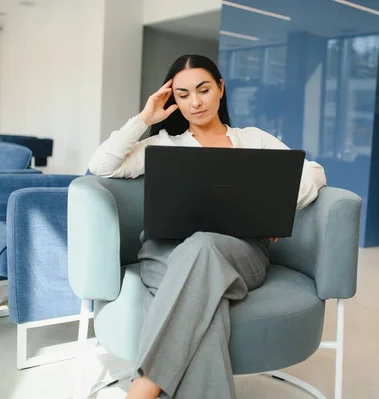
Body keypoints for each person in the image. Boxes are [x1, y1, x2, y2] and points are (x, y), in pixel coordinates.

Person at [88, 54, 327, 399]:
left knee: (203, 246)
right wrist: (144, 118)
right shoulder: (162, 145)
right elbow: (102, 166)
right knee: (205, 306)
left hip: (239, 253)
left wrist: (275, 208)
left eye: (202, 90)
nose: (195, 102)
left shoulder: (252, 139)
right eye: (183, 95)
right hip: (166, 254)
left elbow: (313, 172)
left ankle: (143, 388)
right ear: (174, 100)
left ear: (220, 89)